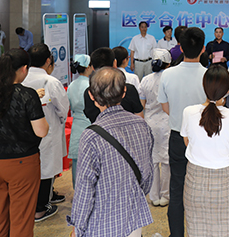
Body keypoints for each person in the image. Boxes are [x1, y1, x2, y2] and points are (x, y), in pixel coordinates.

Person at [0, 49, 49, 237]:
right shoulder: (27, 95)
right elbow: (41, 131)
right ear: (24, 69)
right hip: (23, 163)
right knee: (21, 218)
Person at [67, 67, 155, 237]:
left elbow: (85, 188)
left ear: (91, 96)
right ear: (124, 92)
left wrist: (77, 227)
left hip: (102, 222)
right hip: (134, 216)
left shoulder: (91, 135)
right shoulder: (142, 125)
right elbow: (148, 174)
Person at [181, 65, 229, 237]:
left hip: (195, 180)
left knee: (196, 231)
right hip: (225, 181)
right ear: (227, 91)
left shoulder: (189, 112)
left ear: (204, 87)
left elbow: (187, 142)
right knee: (224, 231)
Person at [157, 27, 207, 237]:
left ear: (181, 48)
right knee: (203, 189)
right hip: (204, 139)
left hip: (178, 137)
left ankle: (176, 234)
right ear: (203, 49)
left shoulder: (168, 74)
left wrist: (181, 115)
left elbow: (165, 107)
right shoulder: (208, 75)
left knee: (177, 188)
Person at [22, 43, 70, 221]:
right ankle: (40, 208)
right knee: (47, 168)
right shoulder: (51, 81)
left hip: (26, 132)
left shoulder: (22, 79)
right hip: (48, 129)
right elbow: (63, 108)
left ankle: (49, 194)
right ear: (48, 60)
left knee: (40, 167)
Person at [139, 48, 172, 207]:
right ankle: (165, 195)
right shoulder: (170, 79)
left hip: (150, 123)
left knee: (152, 160)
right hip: (167, 122)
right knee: (166, 161)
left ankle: (153, 195)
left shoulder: (145, 80)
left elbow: (142, 104)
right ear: (168, 64)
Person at [83, 47, 144, 122]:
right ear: (115, 63)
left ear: (92, 67)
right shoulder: (129, 89)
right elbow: (140, 117)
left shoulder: (89, 92)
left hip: (100, 129)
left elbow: (90, 116)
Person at [67, 54, 94, 188]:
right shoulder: (90, 85)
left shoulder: (72, 85)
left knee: (77, 161)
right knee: (91, 160)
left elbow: (69, 106)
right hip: (90, 123)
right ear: (88, 67)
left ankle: (77, 190)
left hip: (76, 123)